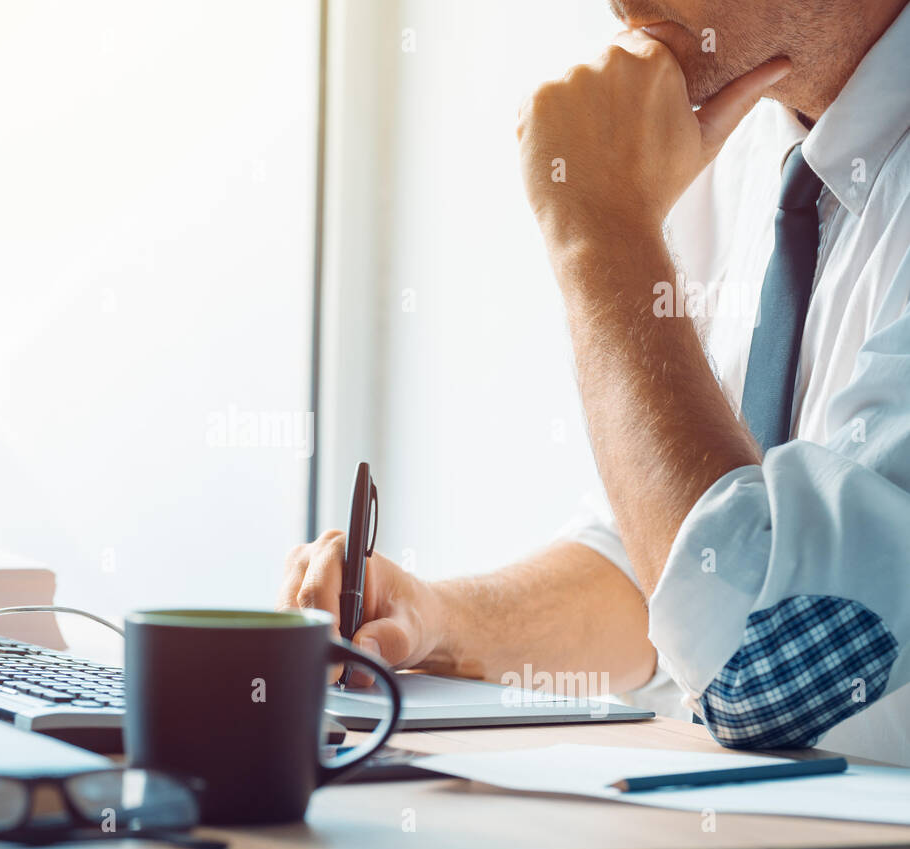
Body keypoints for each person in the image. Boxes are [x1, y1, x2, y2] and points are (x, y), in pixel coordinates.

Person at [279, 0, 910, 765]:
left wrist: (600, 228)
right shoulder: (744, 145)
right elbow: (674, 570)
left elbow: (765, 661)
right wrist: (435, 621)